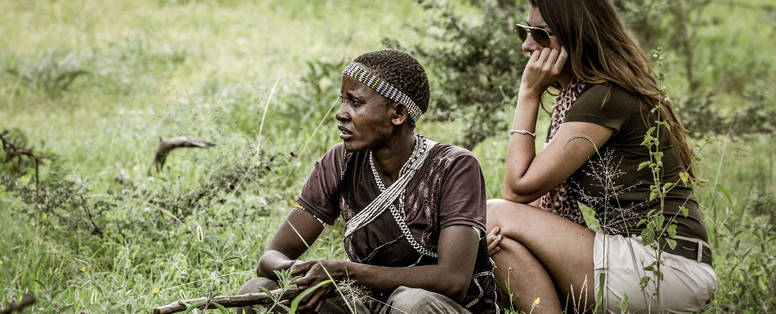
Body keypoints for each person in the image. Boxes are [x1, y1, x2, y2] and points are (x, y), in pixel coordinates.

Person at [485, 0, 717, 313]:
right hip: (652, 264)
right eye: (524, 32)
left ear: (576, 37)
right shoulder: (588, 95)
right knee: (501, 243)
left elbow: (519, 187)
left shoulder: (606, 96)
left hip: (664, 265)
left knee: (493, 214)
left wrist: (528, 93)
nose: (528, 45)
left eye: (541, 35)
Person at [236, 49, 498, 314]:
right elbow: (270, 257)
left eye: (355, 103)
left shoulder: (454, 166)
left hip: (436, 306)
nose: (341, 113)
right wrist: (300, 272)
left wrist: (347, 271)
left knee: (411, 304)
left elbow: (453, 281)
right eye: (342, 101)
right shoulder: (340, 161)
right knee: (258, 292)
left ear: (397, 113)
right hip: (368, 303)